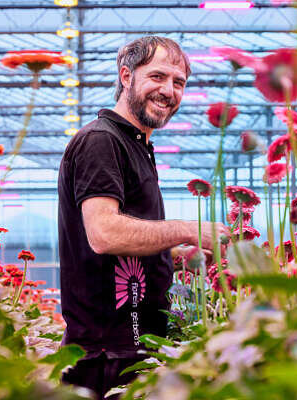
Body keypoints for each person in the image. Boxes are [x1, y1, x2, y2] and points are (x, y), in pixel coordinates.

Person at [57, 36, 230, 399]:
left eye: (179, 82)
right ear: (126, 76)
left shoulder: (136, 145)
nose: (169, 90)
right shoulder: (102, 141)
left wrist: (178, 260)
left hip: (134, 350)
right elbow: (103, 233)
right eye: (157, 77)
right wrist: (189, 230)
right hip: (106, 357)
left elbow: (124, 249)